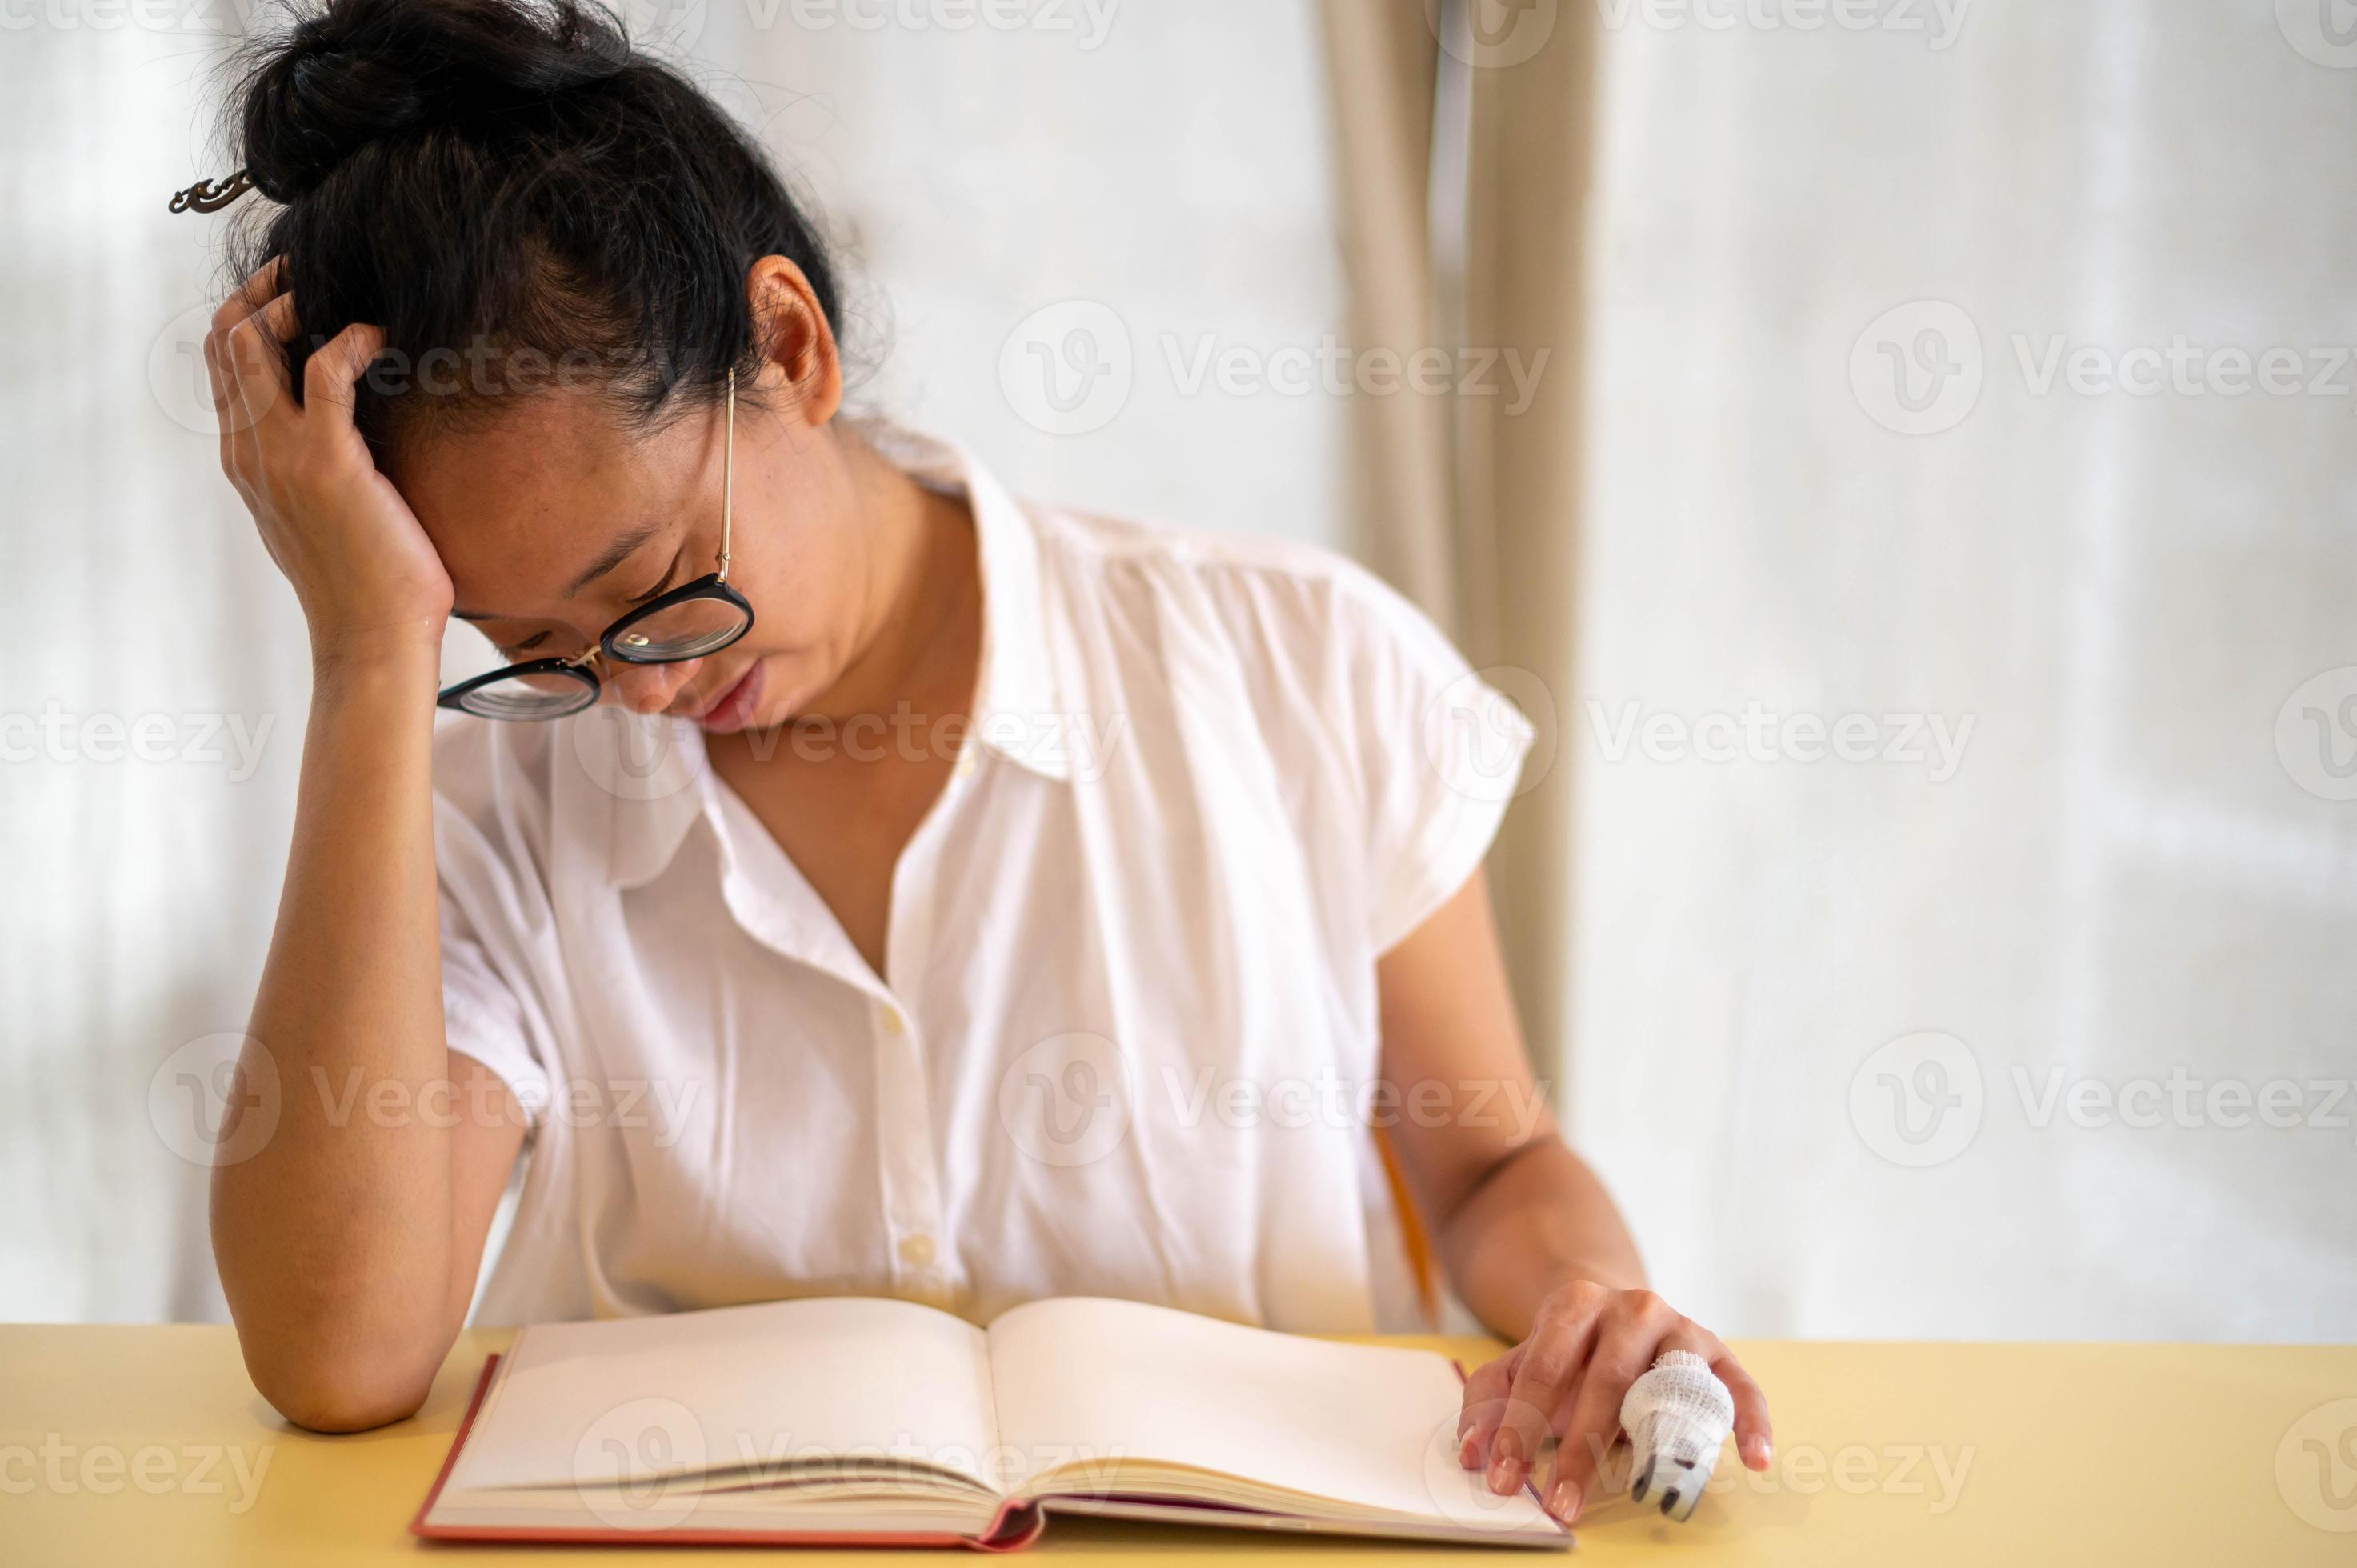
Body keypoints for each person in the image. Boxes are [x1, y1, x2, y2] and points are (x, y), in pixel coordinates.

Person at [196, 0, 1769, 1524]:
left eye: (660, 583)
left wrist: (1588, 1306)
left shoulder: (1298, 669)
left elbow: (1490, 1165)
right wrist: (369, 657)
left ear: (790, 345)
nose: (641, 688)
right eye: (536, 646)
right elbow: (341, 1350)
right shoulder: (495, 816)